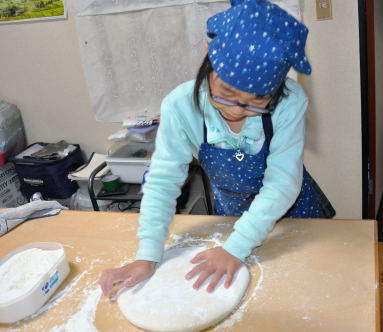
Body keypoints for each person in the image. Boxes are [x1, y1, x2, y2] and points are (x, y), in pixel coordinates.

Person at [99, 0, 335, 296]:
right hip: (233, 212)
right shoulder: (181, 105)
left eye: (257, 102)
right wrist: (147, 254)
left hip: (292, 210)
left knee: (305, 288)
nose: (236, 110)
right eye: (226, 93)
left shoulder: (290, 101)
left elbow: (282, 183)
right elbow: (163, 181)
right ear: (209, 55)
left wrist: (235, 249)